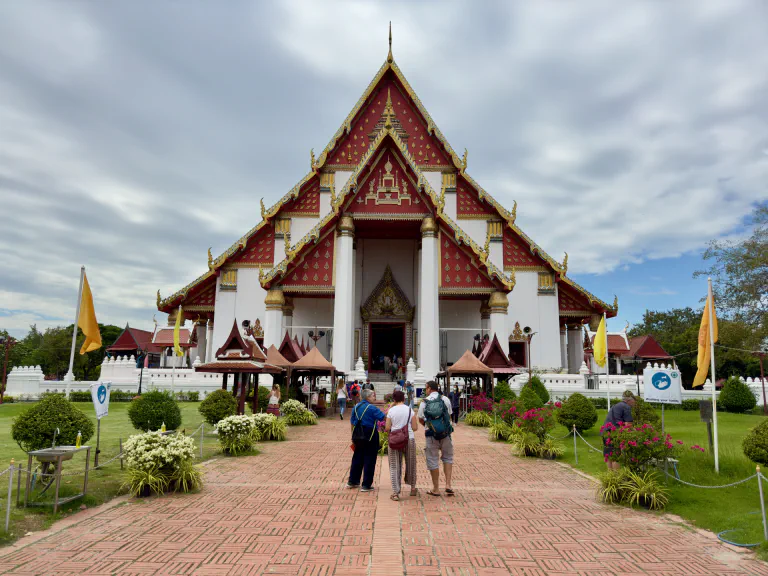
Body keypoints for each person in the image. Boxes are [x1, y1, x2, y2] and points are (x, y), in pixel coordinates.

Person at [418, 380, 455, 497]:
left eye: (426, 388)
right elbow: (449, 416)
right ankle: (448, 485)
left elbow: (420, 419)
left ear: (429, 389)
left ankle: (436, 488)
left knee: (433, 460)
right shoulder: (445, 399)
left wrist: (432, 427)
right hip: (446, 434)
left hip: (431, 435)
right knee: (448, 458)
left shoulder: (424, 402)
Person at [348, 389, 386, 492]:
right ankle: (366, 485)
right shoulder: (372, 408)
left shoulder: (355, 407)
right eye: (373, 396)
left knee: (357, 457)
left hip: (357, 433)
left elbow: (352, 422)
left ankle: (353, 481)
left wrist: (353, 437)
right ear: (368, 397)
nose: (374, 398)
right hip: (370, 434)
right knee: (370, 458)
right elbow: (383, 418)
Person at [385, 390, 418, 500]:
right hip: (409, 438)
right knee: (411, 463)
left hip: (395, 439)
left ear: (394, 399)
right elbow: (415, 427)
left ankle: (395, 492)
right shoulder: (410, 410)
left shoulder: (391, 411)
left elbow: (387, 428)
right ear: (404, 398)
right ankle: (413, 488)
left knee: (394, 464)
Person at [602, 390, 636, 470]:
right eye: (634, 401)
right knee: (616, 456)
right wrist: (636, 432)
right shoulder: (626, 407)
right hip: (615, 433)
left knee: (609, 455)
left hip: (606, 432)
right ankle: (617, 478)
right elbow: (629, 424)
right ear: (629, 400)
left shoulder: (615, 406)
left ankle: (611, 477)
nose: (634, 403)